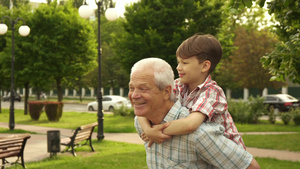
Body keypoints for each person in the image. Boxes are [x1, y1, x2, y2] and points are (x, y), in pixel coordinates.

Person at [129, 58, 260, 168]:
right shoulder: (141, 123)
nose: (134, 95)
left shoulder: (200, 134)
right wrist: (149, 130)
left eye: (143, 88)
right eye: (131, 88)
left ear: (166, 92)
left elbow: (251, 167)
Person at [138, 34, 245, 149]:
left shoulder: (212, 92)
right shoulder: (177, 86)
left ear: (204, 66)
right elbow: (145, 106)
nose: (178, 67)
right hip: (204, 150)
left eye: (184, 63)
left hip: (227, 155)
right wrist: (148, 130)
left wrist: (156, 130)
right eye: (178, 62)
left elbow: (190, 124)